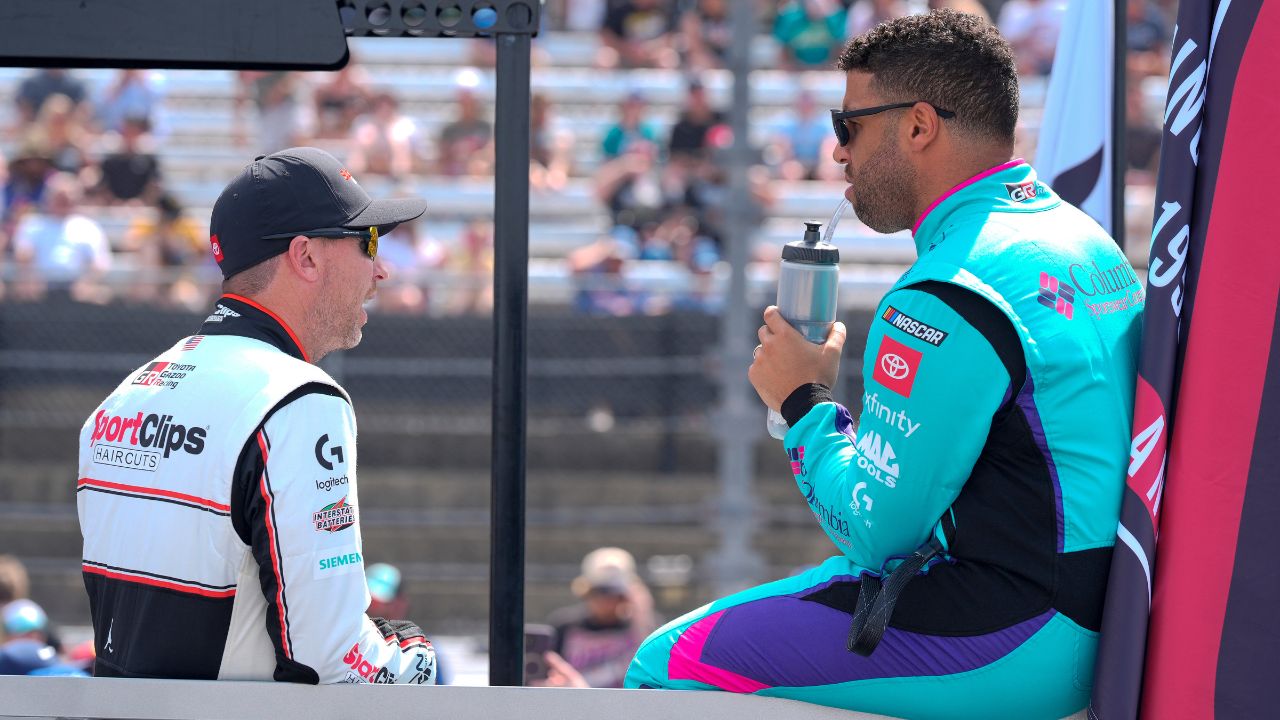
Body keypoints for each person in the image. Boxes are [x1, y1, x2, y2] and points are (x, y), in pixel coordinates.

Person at [626, 12, 1144, 719]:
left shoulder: (946, 293)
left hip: (1021, 638)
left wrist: (802, 403)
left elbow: (877, 531)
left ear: (918, 126)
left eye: (849, 127)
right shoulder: (1088, 241)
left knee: (668, 662)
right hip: (1112, 619)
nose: (837, 153)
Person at [75, 147, 438, 685]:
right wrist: (418, 657)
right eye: (367, 241)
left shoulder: (124, 396)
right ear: (306, 256)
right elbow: (330, 657)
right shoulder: (299, 399)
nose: (382, 268)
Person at [542, 548, 655, 688]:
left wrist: (642, 611)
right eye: (599, 591)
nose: (605, 600)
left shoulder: (641, 628)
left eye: (614, 593)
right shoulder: (565, 625)